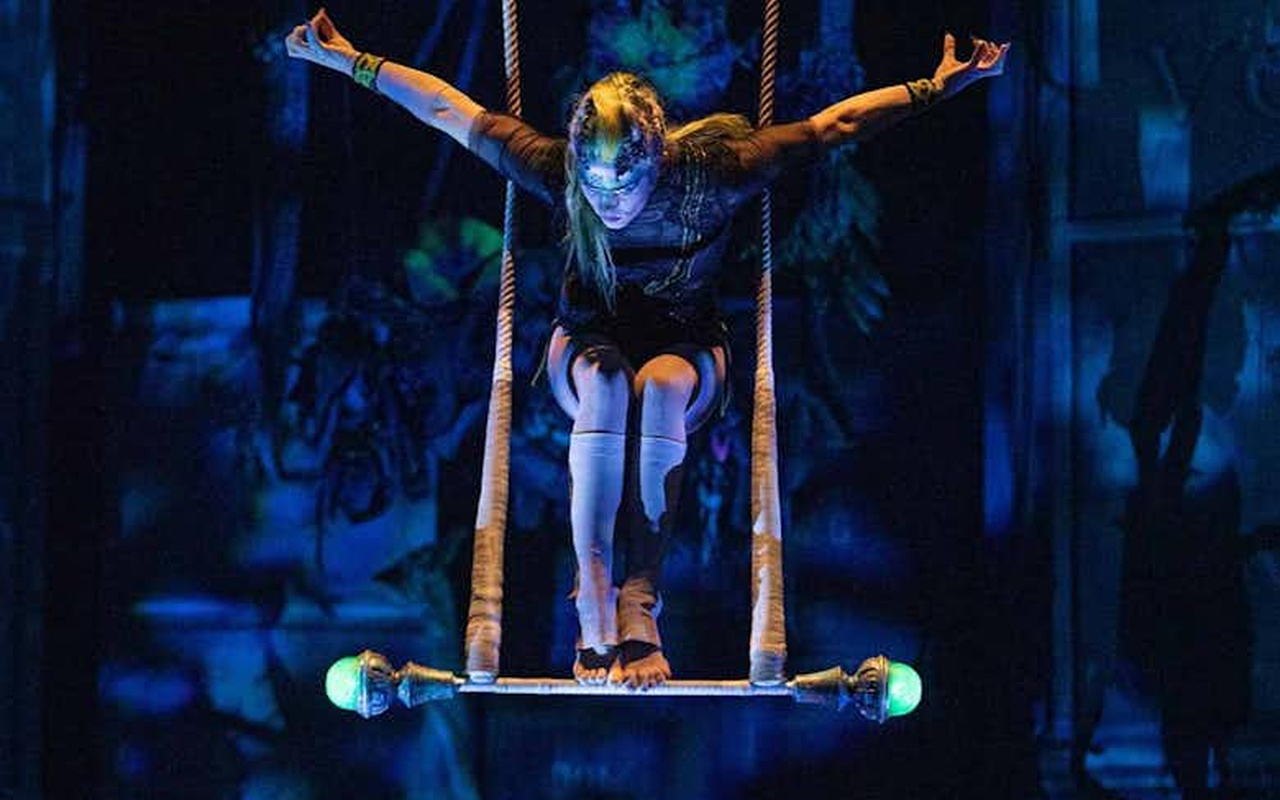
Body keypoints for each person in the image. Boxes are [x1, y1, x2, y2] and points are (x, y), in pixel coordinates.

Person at [286, 8, 1009, 689]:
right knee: (607, 382)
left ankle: (640, 601)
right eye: (597, 190)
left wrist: (934, 87)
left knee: (657, 386)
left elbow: (832, 126)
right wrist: (350, 61)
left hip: (688, 351)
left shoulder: (715, 172)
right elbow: (450, 111)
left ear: (658, 157)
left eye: (624, 188)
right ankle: (593, 591)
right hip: (584, 350)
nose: (609, 204)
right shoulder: (562, 173)